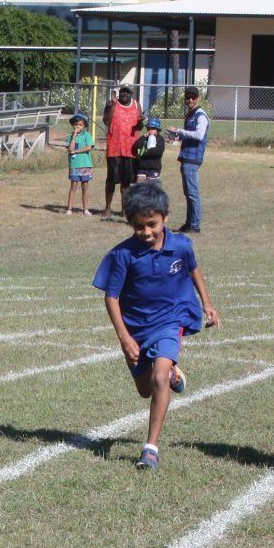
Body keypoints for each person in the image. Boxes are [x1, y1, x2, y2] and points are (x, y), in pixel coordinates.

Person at [93, 181, 220, 471]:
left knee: (159, 378)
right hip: (136, 328)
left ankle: (150, 448)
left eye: (152, 224)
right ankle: (171, 371)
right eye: (139, 227)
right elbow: (111, 298)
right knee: (145, 389)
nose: (147, 232)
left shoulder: (181, 245)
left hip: (169, 320)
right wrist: (125, 338)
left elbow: (194, 269)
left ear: (164, 217)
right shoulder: (123, 255)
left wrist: (207, 304)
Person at [169, 85, 211, 232]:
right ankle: (189, 223)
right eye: (188, 97)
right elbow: (188, 134)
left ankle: (195, 225)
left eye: (193, 97)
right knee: (188, 192)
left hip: (193, 158)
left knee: (193, 193)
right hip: (186, 156)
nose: (190, 99)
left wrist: (180, 131)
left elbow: (199, 135)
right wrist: (176, 136)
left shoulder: (201, 116)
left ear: (198, 98)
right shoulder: (190, 114)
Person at [100, 84, 142, 218]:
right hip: (115, 148)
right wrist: (111, 105)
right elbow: (106, 121)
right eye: (123, 92)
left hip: (131, 149)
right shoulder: (112, 104)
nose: (124, 94)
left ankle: (124, 209)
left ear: (132, 94)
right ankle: (107, 208)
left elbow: (140, 125)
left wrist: (141, 122)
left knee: (127, 182)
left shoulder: (136, 105)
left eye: (127, 92)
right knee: (111, 180)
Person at [64, 111, 95, 215]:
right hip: (74, 164)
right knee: (73, 186)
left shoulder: (87, 135)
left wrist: (76, 151)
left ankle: (85, 209)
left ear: (84, 126)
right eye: (76, 124)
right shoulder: (69, 136)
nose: (78, 126)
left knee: (85, 187)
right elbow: (70, 148)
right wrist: (74, 136)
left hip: (85, 164)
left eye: (80, 125)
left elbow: (89, 147)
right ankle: (69, 209)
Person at [134, 116, 165, 183]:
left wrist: (146, 152)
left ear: (158, 130)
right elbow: (137, 145)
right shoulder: (144, 138)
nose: (151, 130)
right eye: (149, 128)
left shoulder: (160, 139)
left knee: (153, 189)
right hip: (141, 168)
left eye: (153, 128)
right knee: (140, 189)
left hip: (153, 168)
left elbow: (158, 151)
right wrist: (144, 136)